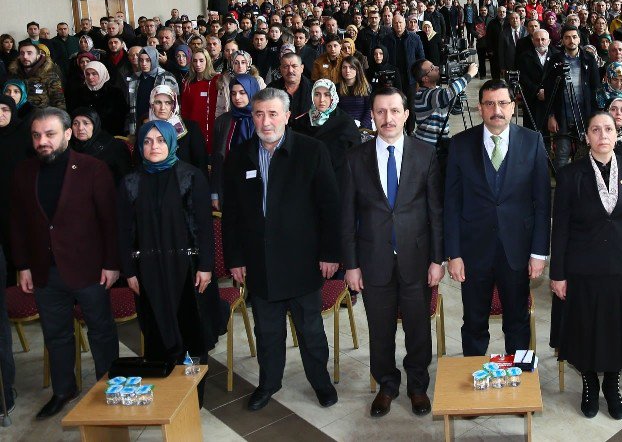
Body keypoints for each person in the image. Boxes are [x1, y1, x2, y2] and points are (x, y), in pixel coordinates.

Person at [222, 87, 340, 411]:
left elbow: (331, 207)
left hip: (303, 262)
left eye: (273, 113)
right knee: (267, 332)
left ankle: (321, 382)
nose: (266, 121)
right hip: (260, 263)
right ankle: (268, 382)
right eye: (259, 114)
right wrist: (234, 258)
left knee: (310, 330)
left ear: (287, 116)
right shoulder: (238, 156)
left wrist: (330, 253)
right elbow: (230, 214)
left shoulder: (312, 151)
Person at [9, 108, 120, 419]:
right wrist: (24, 265)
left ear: (68, 133)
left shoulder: (92, 169)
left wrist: (112, 264)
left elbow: (110, 221)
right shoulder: (23, 172)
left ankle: (108, 386)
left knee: (101, 331)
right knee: (55, 334)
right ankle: (63, 389)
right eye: (36, 135)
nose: (42, 141)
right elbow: (17, 223)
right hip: (45, 270)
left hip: (89, 268)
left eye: (50, 134)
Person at [340, 86, 443, 418]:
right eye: (380, 112)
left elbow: (435, 213)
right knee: (380, 329)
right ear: (372, 115)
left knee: (417, 328)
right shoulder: (355, 158)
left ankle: (417, 386)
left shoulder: (426, 154)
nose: (387, 118)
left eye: (394, 111)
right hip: (373, 261)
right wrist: (352, 266)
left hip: (417, 259)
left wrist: (436, 260)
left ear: (406, 114)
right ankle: (386, 384)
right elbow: (347, 216)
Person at [550, 111, 622, 420]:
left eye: (608, 129)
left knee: (619, 327)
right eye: (595, 130)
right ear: (587, 137)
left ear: (616, 134)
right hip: (584, 267)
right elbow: (562, 228)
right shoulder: (571, 175)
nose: (602, 135)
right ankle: (588, 383)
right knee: (587, 328)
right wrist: (557, 273)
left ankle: (611, 384)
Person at [117, 120, 222, 405]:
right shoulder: (131, 182)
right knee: (155, 332)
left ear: (171, 143)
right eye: (148, 141)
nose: (154, 147)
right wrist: (128, 271)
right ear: (140, 146)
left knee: (191, 332)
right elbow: (124, 231)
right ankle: (165, 396)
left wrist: (206, 266)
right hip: (147, 270)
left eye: (160, 140)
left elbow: (203, 226)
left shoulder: (191, 176)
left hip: (187, 269)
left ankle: (192, 397)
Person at [445, 80, 552, 356]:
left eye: (503, 103)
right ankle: (474, 387)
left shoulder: (533, 141)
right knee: (474, 323)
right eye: (490, 103)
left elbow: (542, 202)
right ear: (480, 107)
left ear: (513, 106)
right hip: (473, 252)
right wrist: (453, 253)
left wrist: (539, 252)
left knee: (517, 323)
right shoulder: (459, 145)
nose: (497, 110)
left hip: (517, 251)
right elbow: (451, 204)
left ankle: (520, 383)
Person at [546, 27, 601, 169]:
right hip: (562, 115)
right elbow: (549, 89)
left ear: (579, 39)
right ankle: (562, 189)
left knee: (584, 155)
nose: (571, 40)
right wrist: (551, 115)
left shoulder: (589, 59)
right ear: (563, 40)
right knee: (562, 155)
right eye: (567, 37)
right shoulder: (555, 60)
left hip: (584, 115)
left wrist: (595, 117)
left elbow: (596, 88)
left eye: (574, 37)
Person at [291, 79, 362, 178]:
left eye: (327, 94)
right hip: (305, 178)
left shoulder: (345, 123)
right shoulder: (300, 122)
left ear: (333, 96)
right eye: (317, 94)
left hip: (336, 179)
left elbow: (356, 157)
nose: (321, 100)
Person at [209, 74, 260, 210]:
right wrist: (214, 193)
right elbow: (216, 159)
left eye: (242, 93)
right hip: (229, 186)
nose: (237, 98)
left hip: (256, 188)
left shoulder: (261, 120)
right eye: (233, 93)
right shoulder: (222, 121)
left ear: (252, 92)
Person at [410, 58, 476, 148]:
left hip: (440, 143)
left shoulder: (438, 91)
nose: (437, 67)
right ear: (425, 79)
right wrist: (469, 75)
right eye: (432, 68)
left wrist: (457, 97)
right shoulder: (423, 95)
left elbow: (456, 111)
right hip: (425, 145)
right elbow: (447, 94)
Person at [148, 85, 208, 175]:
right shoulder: (146, 129)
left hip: (184, 184)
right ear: (152, 104)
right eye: (158, 102)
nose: (163, 107)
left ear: (174, 104)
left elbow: (200, 164)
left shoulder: (190, 128)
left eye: (168, 103)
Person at [69, 107, 132, 183]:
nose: (80, 128)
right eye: (75, 123)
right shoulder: (68, 148)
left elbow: (127, 180)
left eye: (86, 123)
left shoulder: (113, 146)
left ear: (95, 124)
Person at [127, 46, 178, 137]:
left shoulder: (167, 77)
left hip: (162, 125)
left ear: (154, 60)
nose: (144, 63)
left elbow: (176, 106)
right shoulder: (134, 78)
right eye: (141, 60)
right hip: (139, 124)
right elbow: (131, 105)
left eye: (148, 60)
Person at [9, 41, 65, 110]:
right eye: (22, 53)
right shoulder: (14, 74)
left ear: (38, 56)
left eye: (29, 53)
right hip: (18, 117)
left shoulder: (49, 75)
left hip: (42, 117)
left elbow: (59, 101)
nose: (25, 57)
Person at [180, 49, 217, 150]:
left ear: (207, 61)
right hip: (193, 129)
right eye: (195, 61)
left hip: (211, 129)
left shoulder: (216, 80)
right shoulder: (187, 83)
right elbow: (184, 110)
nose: (198, 64)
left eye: (201, 60)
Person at [268, 51, 313, 119]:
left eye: (294, 66)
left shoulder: (314, 88)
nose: (290, 70)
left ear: (302, 68)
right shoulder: (271, 89)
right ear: (280, 69)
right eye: (286, 67)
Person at [336, 56, 373, 129]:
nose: (347, 70)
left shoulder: (366, 87)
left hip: (363, 128)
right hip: (343, 127)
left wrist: (361, 125)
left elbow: (369, 109)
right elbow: (335, 111)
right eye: (344, 67)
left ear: (357, 69)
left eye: (351, 67)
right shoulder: (336, 88)